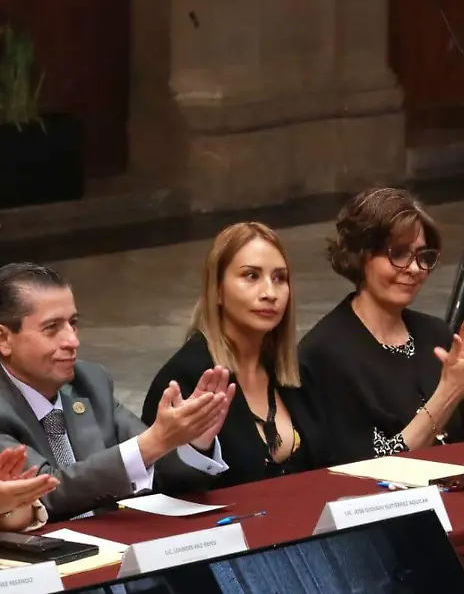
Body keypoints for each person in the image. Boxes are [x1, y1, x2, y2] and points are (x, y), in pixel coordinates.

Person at [0, 263, 233, 521]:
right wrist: (155, 441)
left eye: (73, 324)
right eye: (52, 328)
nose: (72, 341)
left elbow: (160, 469)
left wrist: (192, 440)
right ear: (4, 340)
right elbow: (44, 493)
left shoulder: (91, 382)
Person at [300, 189, 464, 464]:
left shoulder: (436, 334)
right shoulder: (324, 354)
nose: (415, 268)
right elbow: (369, 471)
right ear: (361, 255)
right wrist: (450, 392)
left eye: (423, 256)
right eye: (399, 254)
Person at [144, 223, 329, 489]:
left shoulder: (296, 372)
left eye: (279, 278)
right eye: (251, 276)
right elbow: (160, 490)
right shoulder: (186, 378)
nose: (269, 293)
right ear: (217, 290)